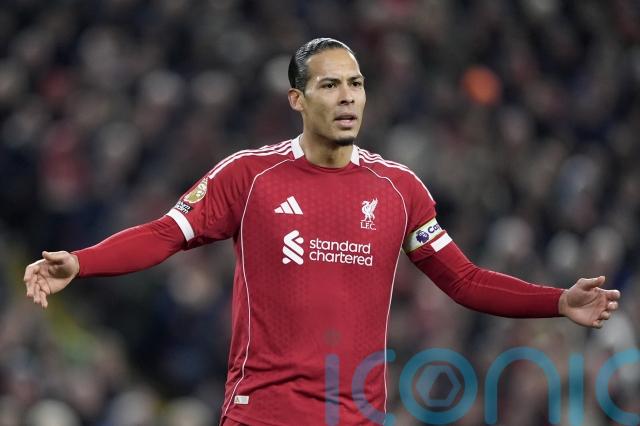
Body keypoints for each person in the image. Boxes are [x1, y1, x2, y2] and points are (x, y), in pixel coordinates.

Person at [24, 38, 621, 426]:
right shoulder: (249, 176)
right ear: (297, 99)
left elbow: (462, 280)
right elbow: (164, 234)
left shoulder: (399, 190)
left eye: (356, 84)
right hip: (262, 415)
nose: (347, 98)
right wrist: (82, 261)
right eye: (330, 85)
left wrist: (556, 302)